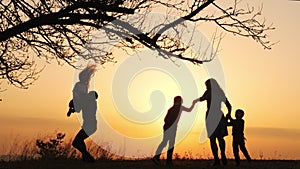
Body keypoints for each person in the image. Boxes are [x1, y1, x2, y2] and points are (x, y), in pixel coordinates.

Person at [195, 78, 232, 166]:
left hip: (212, 116)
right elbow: (229, 105)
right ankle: (221, 156)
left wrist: (195, 100)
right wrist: (228, 114)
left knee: (213, 138)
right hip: (218, 115)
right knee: (219, 138)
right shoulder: (220, 93)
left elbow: (202, 99)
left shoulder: (209, 92)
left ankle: (217, 159)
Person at [152, 96, 197, 166]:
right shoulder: (173, 109)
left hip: (170, 128)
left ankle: (164, 160)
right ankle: (159, 158)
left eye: (180, 101)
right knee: (167, 143)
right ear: (175, 101)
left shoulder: (178, 108)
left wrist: (193, 104)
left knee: (169, 144)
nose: (179, 102)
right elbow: (165, 119)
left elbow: (189, 110)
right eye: (178, 101)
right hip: (169, 128)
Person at [72, 91, 99, 162]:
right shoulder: (90, 103)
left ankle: (88, 157)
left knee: (76, 142)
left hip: (89, 126)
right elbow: (78, 109)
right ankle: (86, 158)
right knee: (80, 140)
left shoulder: (90, 103)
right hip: (90, 126)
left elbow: (79, 107)